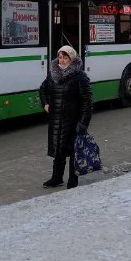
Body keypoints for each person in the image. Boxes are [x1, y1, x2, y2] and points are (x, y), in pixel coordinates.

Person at [39, 45, 93, 189]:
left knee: (74, 151)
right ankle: (56, 178)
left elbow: (87, 103)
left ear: (71, 58)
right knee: (58, 150)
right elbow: (43, 89)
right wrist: (45, 104)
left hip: (73, 121)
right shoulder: (53, 74)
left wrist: (83, 124)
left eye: (65, 57)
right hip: (56, 120)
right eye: (60, 57)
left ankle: (72, 180)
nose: (61, 60)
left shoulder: (80, 77)